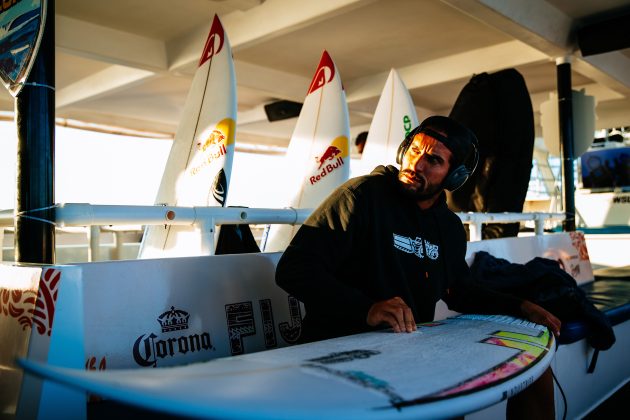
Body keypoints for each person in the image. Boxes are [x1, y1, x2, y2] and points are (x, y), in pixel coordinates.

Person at [276, 115, 561, 419]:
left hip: (406, 355)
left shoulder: (448, 228)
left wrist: (522, 307)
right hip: (338, 355)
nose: (417, 164)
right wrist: (367, 308)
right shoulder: (360, 197)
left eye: (434, 160)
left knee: (534, 374)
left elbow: (460, 292)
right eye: (414, 150)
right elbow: (294, 269)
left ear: (454, 177)